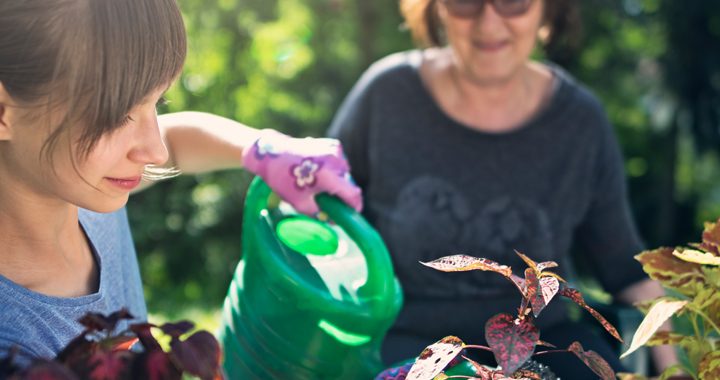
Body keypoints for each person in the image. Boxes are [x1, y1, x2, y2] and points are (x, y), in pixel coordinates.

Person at [0, 0, 361, 366]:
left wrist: (259, 148)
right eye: (117, 115)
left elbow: (174, 142)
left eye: (156, 102)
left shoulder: (85, 192)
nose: (154, 150)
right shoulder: (13, 343)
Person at [327, 0, 676, 377]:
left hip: (544, 345)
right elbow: (324, 217)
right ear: (435, 8)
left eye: (514, 2)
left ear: (548, 11)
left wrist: (675, 370)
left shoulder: (580, 122)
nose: (489, 22)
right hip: (403, 344)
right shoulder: (386, 95)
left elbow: (626, 271)